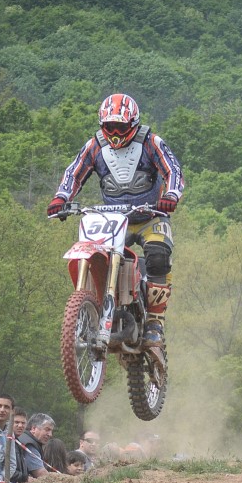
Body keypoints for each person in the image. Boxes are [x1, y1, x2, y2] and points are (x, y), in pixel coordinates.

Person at [47, 93, 185, 347]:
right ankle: (93, 307)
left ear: (133, 124)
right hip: (113, 220)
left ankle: (154, 323)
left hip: (151, 216)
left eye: (120, 127)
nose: (115, 132)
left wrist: (172, 195)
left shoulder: (151, 142)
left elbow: (173, 170)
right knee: (96, 256)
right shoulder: (95, 146)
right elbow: (74, 173)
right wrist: (61, 197)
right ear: (102, 125)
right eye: (109, 126)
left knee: (158, 256)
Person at [13, 412, 54, 483]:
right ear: (34, 428)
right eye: (47, 429)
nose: (50, 434)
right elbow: (41, 474)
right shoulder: (29, 445)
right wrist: (62, 480)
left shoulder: (24, 438)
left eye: (51, 431)